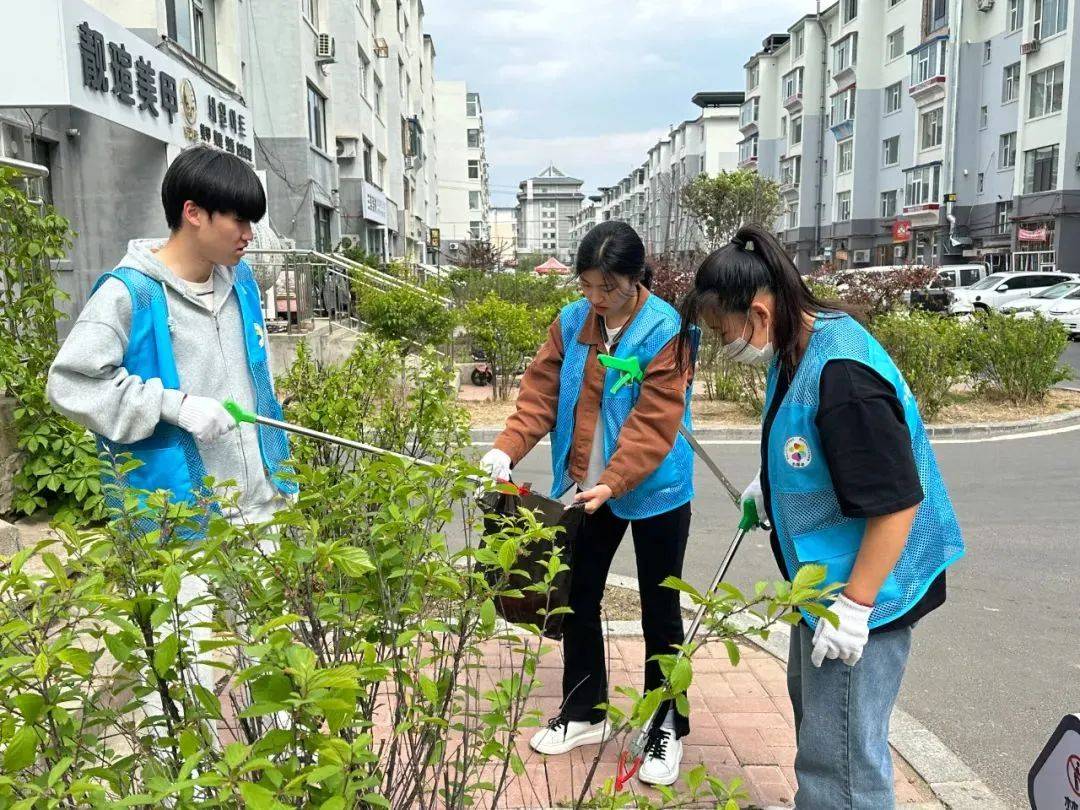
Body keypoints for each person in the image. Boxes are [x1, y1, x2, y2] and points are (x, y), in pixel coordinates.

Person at [678, 224, 964, 809]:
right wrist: (772, 481)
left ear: (758, 310)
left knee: (843, 764)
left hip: (869, 592)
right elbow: (806, 442)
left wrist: (856, 609)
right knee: (820, 730)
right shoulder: (796, 343)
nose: (722, 343)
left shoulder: (845, 379)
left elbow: (896, 503)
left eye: (720, 330)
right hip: (822, 583)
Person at [47, 145, 296, 734]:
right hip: (176, 515)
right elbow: (71, 382)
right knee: (189, 664)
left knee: (274, 649)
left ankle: (291, 766)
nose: (249, 234)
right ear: (193, 213)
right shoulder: (130, 293)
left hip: (257, 502)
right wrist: (171, 405)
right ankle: (198, 780)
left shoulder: (242, 287)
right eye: (238, 219)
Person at [480, 221, 697, 786]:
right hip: (584, 487)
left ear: (634, 279)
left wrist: (616, 479)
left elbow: (656, 422)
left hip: (655, 490)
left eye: (608, 288)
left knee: (660, 608)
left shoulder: (664, 327)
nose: (596, 300)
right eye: (587, 287)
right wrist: (507, 448)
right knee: (574, 593)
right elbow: (539, 392)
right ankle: (585, 711)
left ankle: (663, 723)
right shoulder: (574, 322)